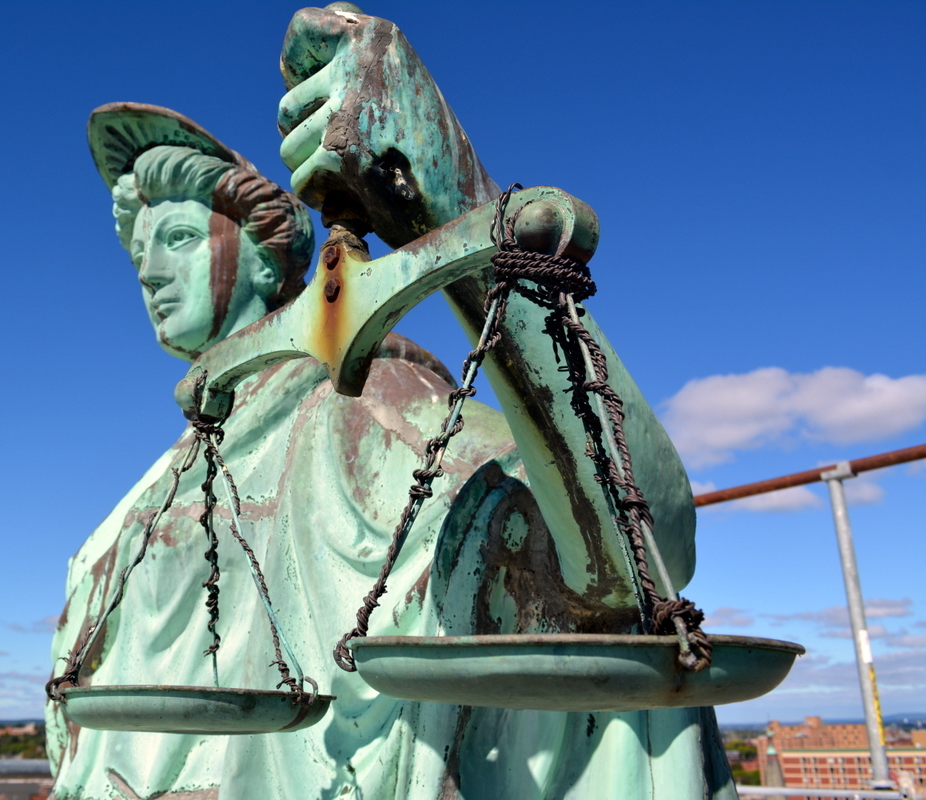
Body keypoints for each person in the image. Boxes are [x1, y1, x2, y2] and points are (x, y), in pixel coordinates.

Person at [46, 32, 734, 798]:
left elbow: (642, 558)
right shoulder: (161, 484)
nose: (151, 268)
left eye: (176, 237)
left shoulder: (362, 411)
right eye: (139, 249)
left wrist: (451, 198)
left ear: (271, 256)